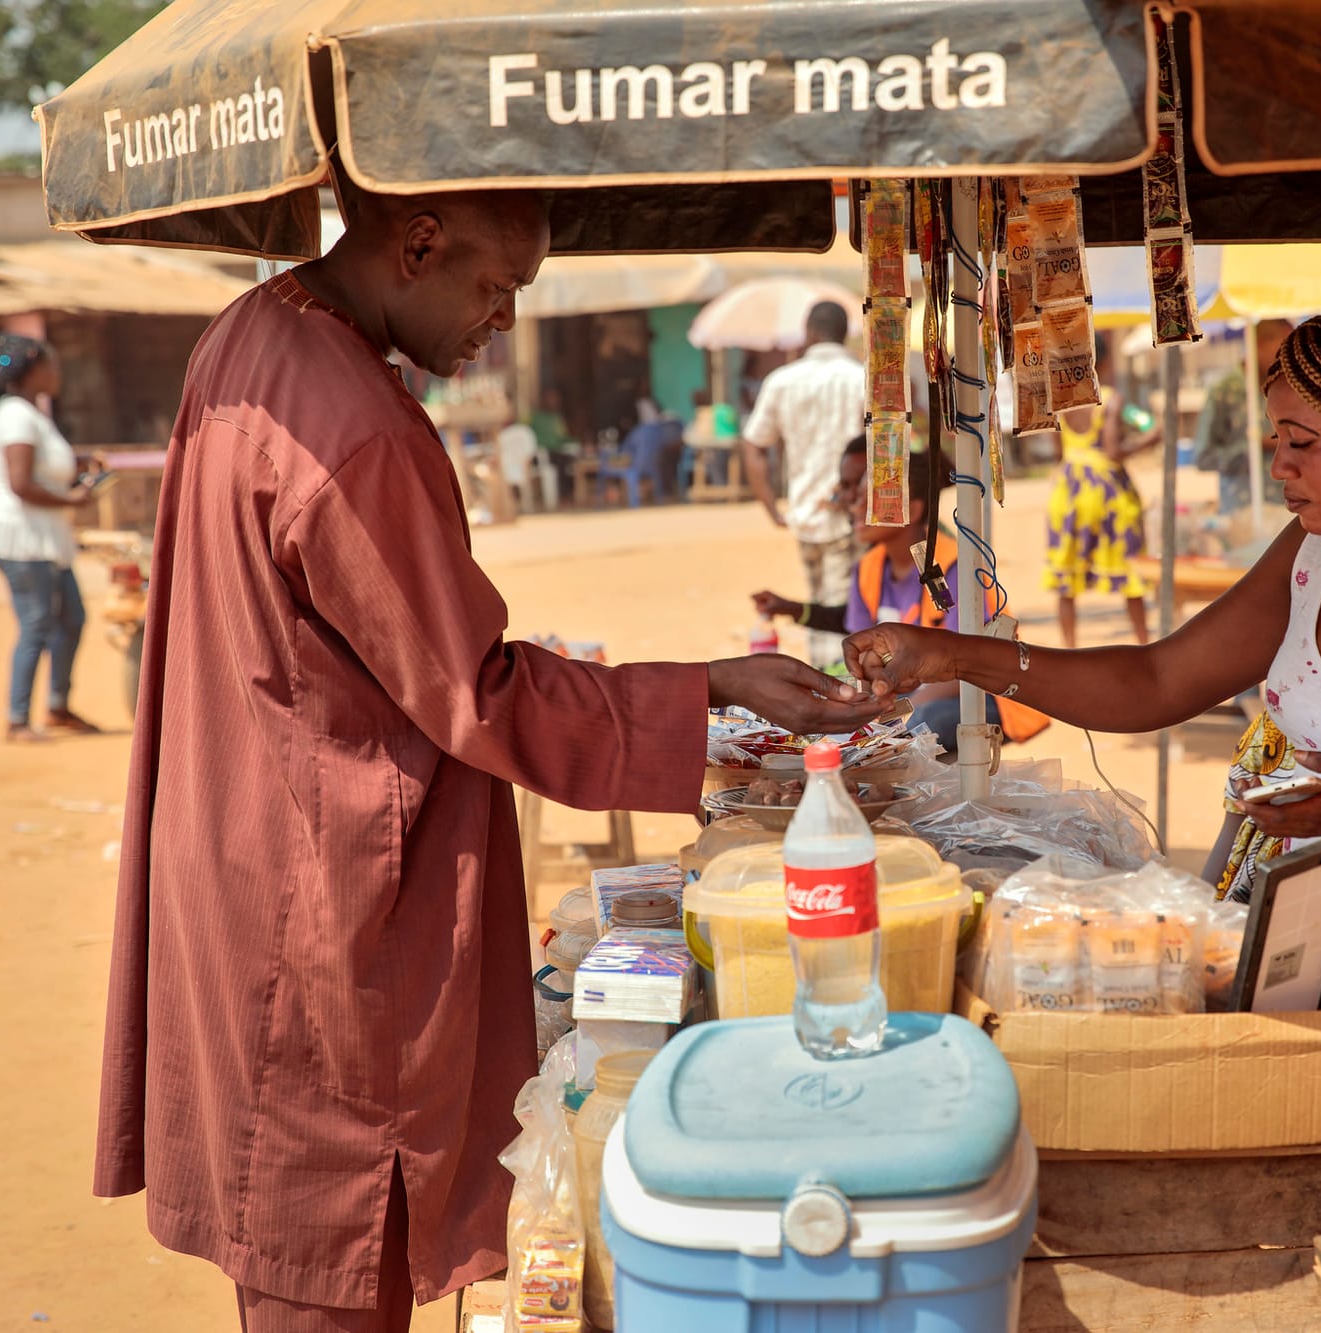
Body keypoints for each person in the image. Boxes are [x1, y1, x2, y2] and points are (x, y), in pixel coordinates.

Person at [95, 175, 885, 1332]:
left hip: (243, 848)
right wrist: (703, 689)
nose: (504, 319)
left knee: (295, 1231)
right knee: (327, 1247)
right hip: (315, 903)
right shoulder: (353, 424)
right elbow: (473, 689)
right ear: (418, 243)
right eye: (498, 285)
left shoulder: (254, 334)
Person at [847, 297, 1321, 1147]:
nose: (1278, 464)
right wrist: (956, 656)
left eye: (1303, 443)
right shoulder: (1317, 554)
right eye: (1275, 438)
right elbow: (1156, 678)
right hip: (1318, 982)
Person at [751, 438, 1047, 755]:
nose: (852, 506)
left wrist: (891, 713)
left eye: (867, 500)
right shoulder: (868, 568)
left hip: (976, 695)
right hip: (903, 697)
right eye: (855, 496)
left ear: (913, 509)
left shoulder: (955, 566)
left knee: (918, 724)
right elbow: (862, 656)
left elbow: (967, 669)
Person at [0, 333, 102, 742]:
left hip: (46, 539)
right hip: (22, 539)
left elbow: (42, 466)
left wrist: (79, 462)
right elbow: (21, 483)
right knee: (37, 622)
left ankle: (58, 705)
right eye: (50, 365)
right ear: (32, 370)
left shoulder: (32, 414)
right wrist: (72, 499)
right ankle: (17, 718)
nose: (56, 373)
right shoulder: (15, 418)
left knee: (71, 618)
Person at [741, 301, 866, 666]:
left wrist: (771, 507)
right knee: (847, 607)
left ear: (809, 334)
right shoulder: (861, 377)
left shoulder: (782, 380)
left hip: (805, 513)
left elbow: (754, 445)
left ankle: (831, 686)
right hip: (852, 512)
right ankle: (842, 686)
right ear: (844, 334)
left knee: (819, 604)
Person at [1043, 333, 1161, 648]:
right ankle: (1143, 642)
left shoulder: (1061, 401)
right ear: (1105, 362)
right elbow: (1113, 451)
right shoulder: (1110, 399)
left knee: (1066, 580)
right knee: (1130, 574)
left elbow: (1058, 451)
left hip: (1069, 492)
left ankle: (1069, 647)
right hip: (1108, 493)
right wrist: (1150, 438)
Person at [1194, 319, 1295, 517]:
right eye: (1283, 348)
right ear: (1258, 345)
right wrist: (1256, 446)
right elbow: (1204, 457)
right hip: (1241, 513)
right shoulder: (1224, 391)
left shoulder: (1291, 387)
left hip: (1287, 511)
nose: (1288, 356)